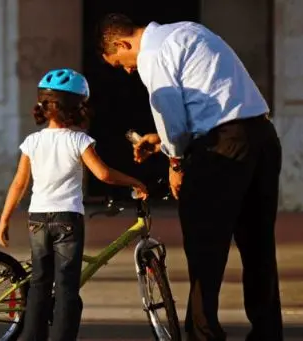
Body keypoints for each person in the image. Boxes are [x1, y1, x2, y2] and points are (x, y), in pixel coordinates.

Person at [98, 14, 283, 341]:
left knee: (205, 247)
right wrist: (161, 139)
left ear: (123, 44)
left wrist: (175, 162)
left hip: (222, 151)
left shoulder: (153, 56)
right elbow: (211, 100)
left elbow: (175, 120)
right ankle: (268, 333)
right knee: (258, 247)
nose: (127, 70)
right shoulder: (188, 31)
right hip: (262, 137)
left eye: (120, 63)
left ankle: (203, 334)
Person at [0, 68, 148, 341]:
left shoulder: (32, 142)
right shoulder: (79, 140)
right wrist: (134, 181)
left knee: (40, 284)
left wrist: (4, 219)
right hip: (67, 219)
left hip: (37, 219)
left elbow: (19, 184)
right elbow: (103, 174)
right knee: (66, 287)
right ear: (77, 108)